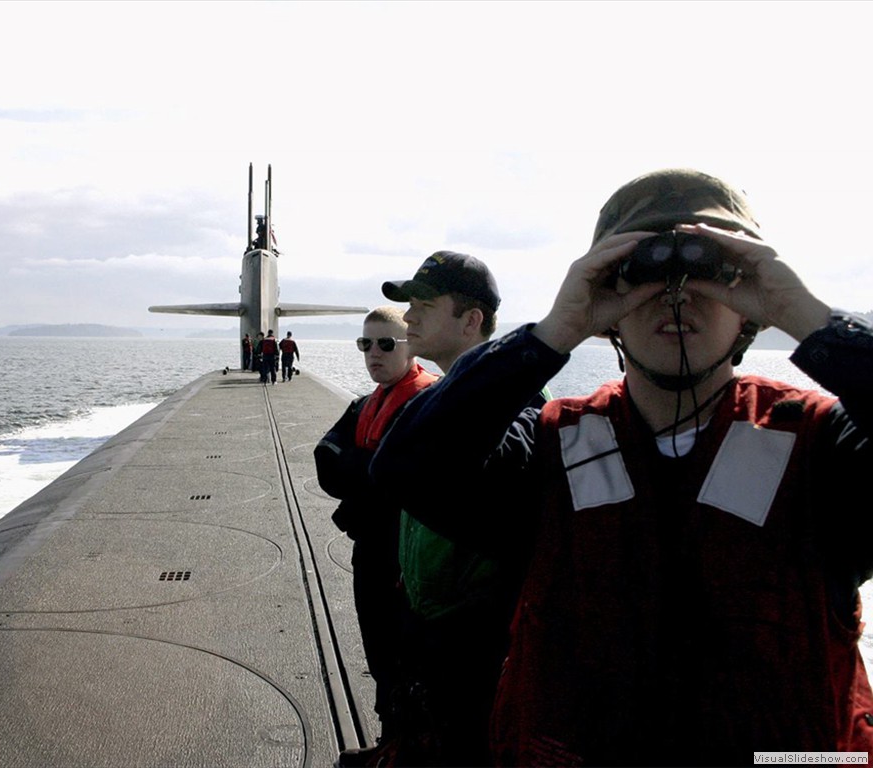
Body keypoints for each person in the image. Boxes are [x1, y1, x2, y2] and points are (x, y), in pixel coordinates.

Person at [371, 169, 873, 766]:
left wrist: (810, 317)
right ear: (607, 303)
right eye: (646, 271)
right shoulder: (552, 446)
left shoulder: (821, 448)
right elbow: (407, 469)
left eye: (710, 271)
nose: (677, 292)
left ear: (749, 308)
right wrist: (554, 333)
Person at [377, 251, 549, 766]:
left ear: (471, 320)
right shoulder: (436, 400)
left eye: (424, 305)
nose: (408, 318)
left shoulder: (524, 410)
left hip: (472, 649)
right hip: (423, 632)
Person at [314, 307, 438, 766]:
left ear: (412, 346)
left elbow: (395, 478)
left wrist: (363, 470)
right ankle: (391, 742)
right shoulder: (366, 404)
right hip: (371, 550)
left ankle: (408, 747)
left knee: (407, 661)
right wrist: (371, 471)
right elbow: (325, 461)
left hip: (405, 560)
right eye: (366, 344)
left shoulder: (424, 401)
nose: (374, 354)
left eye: (387, 344)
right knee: (380, 654)